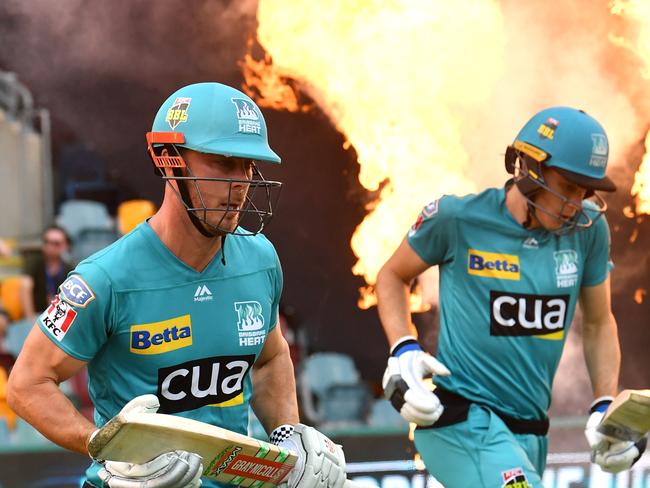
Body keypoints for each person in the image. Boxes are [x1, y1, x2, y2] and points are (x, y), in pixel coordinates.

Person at [8, 82, 350, 488]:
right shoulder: (103, 278)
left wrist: (288, 435)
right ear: (168, 160)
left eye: (249, 165)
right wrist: (109, 449)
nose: (241, 182)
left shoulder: (260, 259)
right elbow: (27, 384)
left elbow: (269, 359)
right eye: (224, 162)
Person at [377, 106, 647, 487]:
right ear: (529, 169)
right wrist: (403, 348)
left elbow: (600, 322)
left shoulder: (589, 231)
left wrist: (605, 406)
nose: (577, 203)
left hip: (531, 432)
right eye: (568, 186)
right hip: (460, 419)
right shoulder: (457, 218)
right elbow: (392, 275)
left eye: (586, 190)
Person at [23, 225, 74, 314]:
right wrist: (29, 318)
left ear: (66, 245)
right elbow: (25, 287)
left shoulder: (70, 269)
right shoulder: (35, 262)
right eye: (47, 242)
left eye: (56, 243)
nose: (50, 247)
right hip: (37, 315)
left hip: (60, 316)